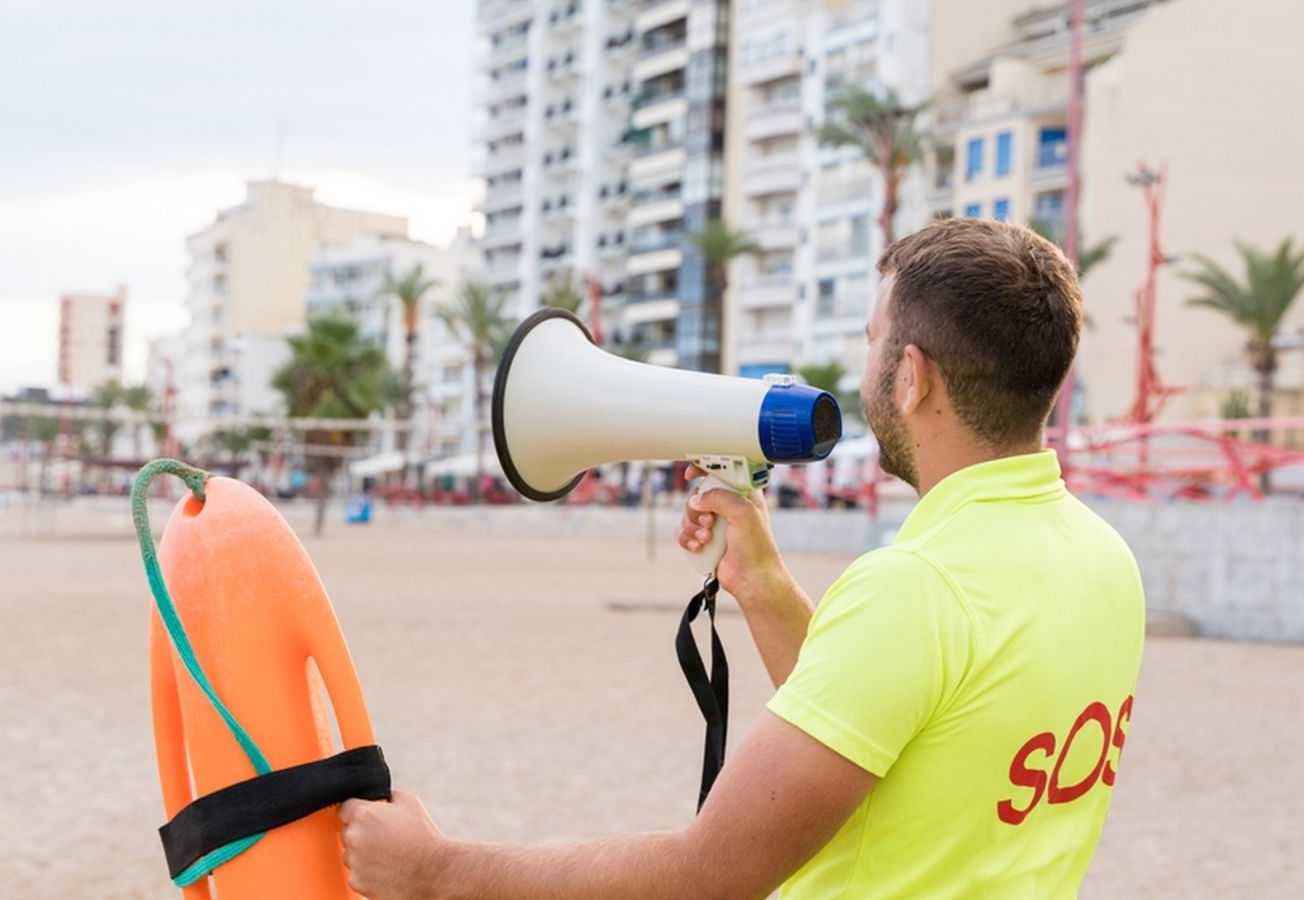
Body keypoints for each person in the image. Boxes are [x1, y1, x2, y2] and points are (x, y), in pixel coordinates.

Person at [339, 219, 1145, 899]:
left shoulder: (917, 588)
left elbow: (712, 873)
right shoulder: (1103, 559)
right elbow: (887, 727)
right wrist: (760, 582)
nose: (864, 366)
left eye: (873, 343)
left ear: (910, 377)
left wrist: (437, 871)